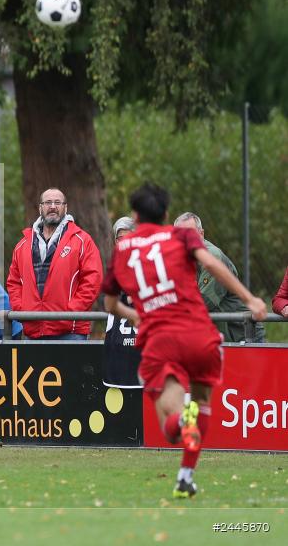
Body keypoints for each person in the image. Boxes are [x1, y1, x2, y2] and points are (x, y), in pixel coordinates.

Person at [102, 183, 266, 499]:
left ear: (135, 216)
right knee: (202, 403)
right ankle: (185, 476)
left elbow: (110, 306)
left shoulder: (124, 249)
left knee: (171, 426)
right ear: (166, 214)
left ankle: (181, 420)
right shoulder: (183, 235)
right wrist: (250, 298)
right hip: (201, 336)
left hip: (161, 340)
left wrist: (136, 315)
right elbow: (213, 264)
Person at [7, 188, 103, 340]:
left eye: (57, 202)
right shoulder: (23, 245)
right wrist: (22, 310)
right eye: (47, 202)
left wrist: (69, 312)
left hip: (70, 332)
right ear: (40, 208)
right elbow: (14, 282)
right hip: (33, 332)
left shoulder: (82, 241)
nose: (52, 206)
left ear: (65, 207)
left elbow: (93, 280)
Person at [173, 212, 265, 343]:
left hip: (243, 337)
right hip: (215, 336)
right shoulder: (180, 259)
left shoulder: (211, 256)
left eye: (190, 233)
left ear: (201, 234)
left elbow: (203, 302)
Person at [102, 217, 141, 388]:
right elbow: (108, 303)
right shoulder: (114, 269)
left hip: (145, 353)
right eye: (120, 239)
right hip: (118, 353)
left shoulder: (151, 265)